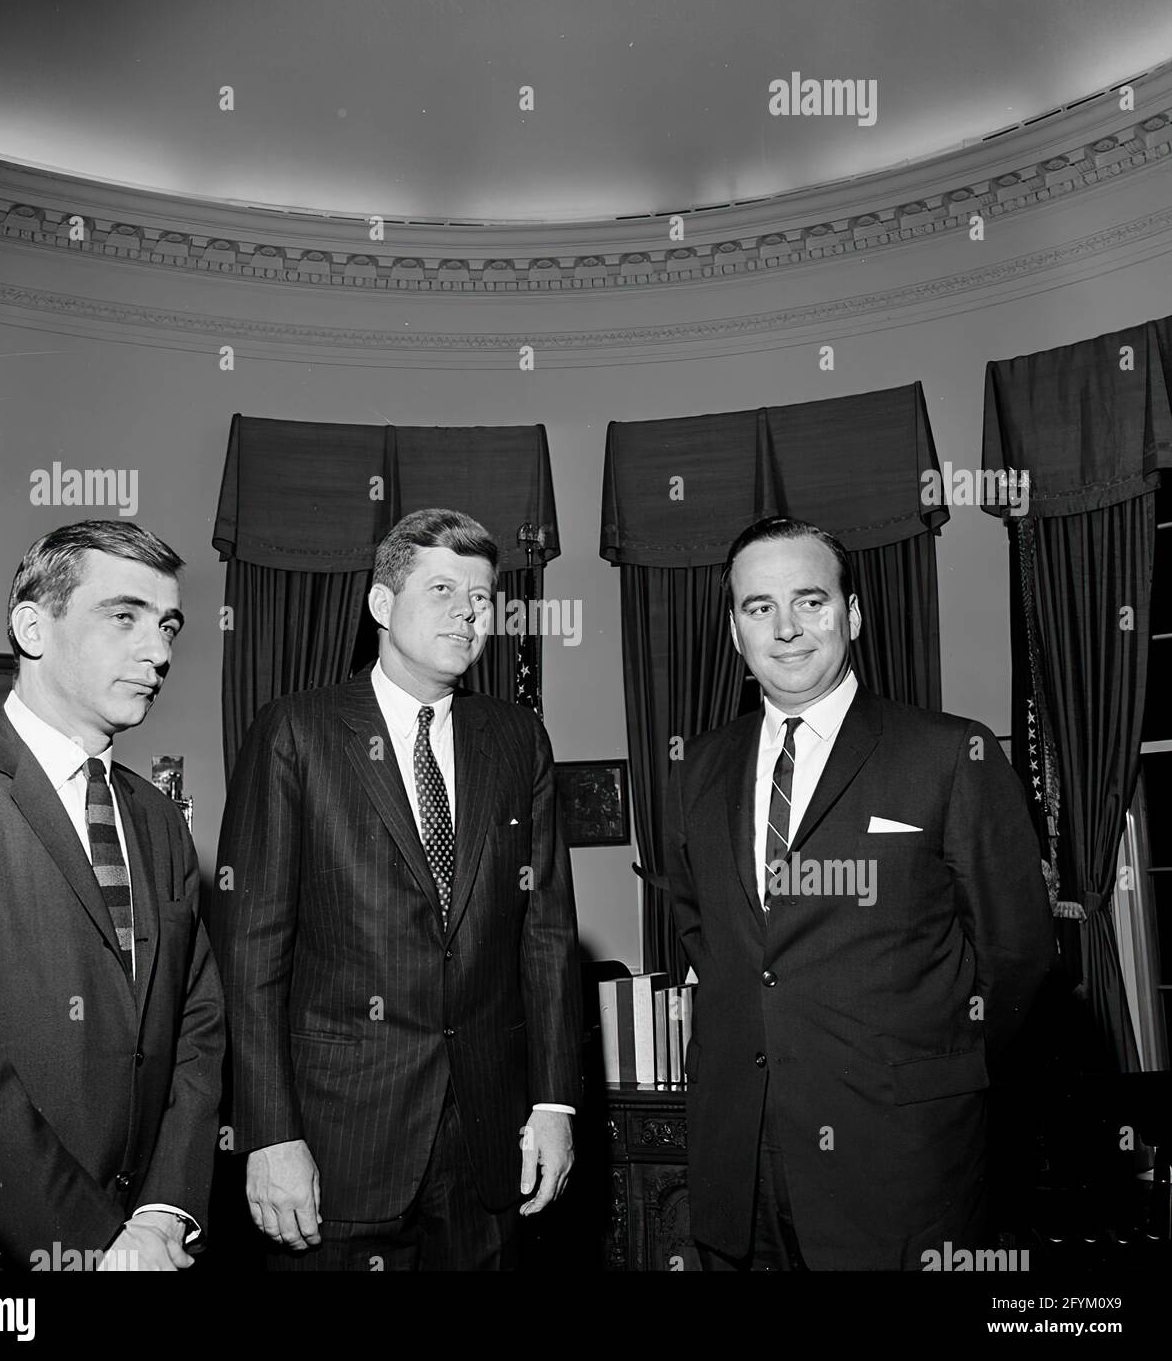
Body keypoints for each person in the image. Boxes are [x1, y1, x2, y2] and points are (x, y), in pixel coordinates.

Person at [663, 515, 1054, 1270]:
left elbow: (1018, 954)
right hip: (739, 1166)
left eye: (810, 601)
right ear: (735, 631)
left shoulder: (949, 754)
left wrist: (932, 1070)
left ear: (854, 614)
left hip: (901, 1163)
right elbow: (705, 936)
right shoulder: (697, 769)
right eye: (758, 607)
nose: (786, 629)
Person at [211, 508, 582, 1270]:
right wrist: (269, 1133)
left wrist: (553, 1102)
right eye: (442, 589)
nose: (467, 612)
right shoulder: (295, 731)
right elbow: (249, 953)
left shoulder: (518, 739)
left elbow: (544, 933)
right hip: (336, 1143)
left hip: (487, 1144)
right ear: (382, 605)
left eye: (481, 597)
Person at [0, 521, 224, 1270]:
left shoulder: (159, 819)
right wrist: (96, 1242)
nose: (160, 652)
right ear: (32, 626)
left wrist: (165, 1210)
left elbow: (196, 1023)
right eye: (125, 616)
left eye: (168, 626)